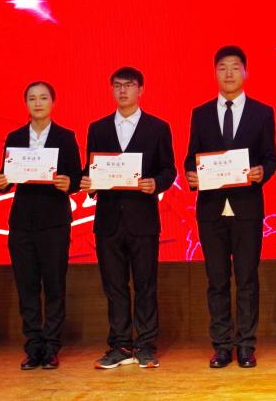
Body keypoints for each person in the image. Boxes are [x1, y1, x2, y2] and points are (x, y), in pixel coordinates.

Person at [184, 46, 276, 369]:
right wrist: (191, 174)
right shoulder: (200, 113)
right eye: (222, 67)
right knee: (217, 280)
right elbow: (191, 156)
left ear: (245, 72)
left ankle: (246, 345)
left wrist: (263, 172)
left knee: (247, 279)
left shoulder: (262, 112)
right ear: (215, 73)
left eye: (235, 67)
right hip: (211, 209)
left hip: (247, 207)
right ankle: (222, 345)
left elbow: (270, 157)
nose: (228, 73)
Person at [81, 67, 176, 369]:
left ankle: (146, 345)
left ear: (141, 89)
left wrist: (155, 183)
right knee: (115, 286)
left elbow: (169, 169)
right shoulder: (98, 128)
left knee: (146, 284)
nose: (123, 90)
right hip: (108, 220)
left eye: (129, 85)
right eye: (117, 85)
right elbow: (90, 169)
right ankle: (120, 345)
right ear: (111, 89)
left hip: (143, 219)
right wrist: (88, 183)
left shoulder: (157, 127)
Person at [0, 81, 83, 370]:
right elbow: (6, 179)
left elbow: (76, 177)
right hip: (22, 222)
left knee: (55, 285)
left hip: (55, 221)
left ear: (53, 102)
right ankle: (33, 346)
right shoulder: (15, 137)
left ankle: (52, 346)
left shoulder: (65, 137)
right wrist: (2, 182)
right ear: (26, 104)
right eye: (32, 98)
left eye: (43, 98)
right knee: (27, 286)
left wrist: (69, 183)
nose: (38, 103)